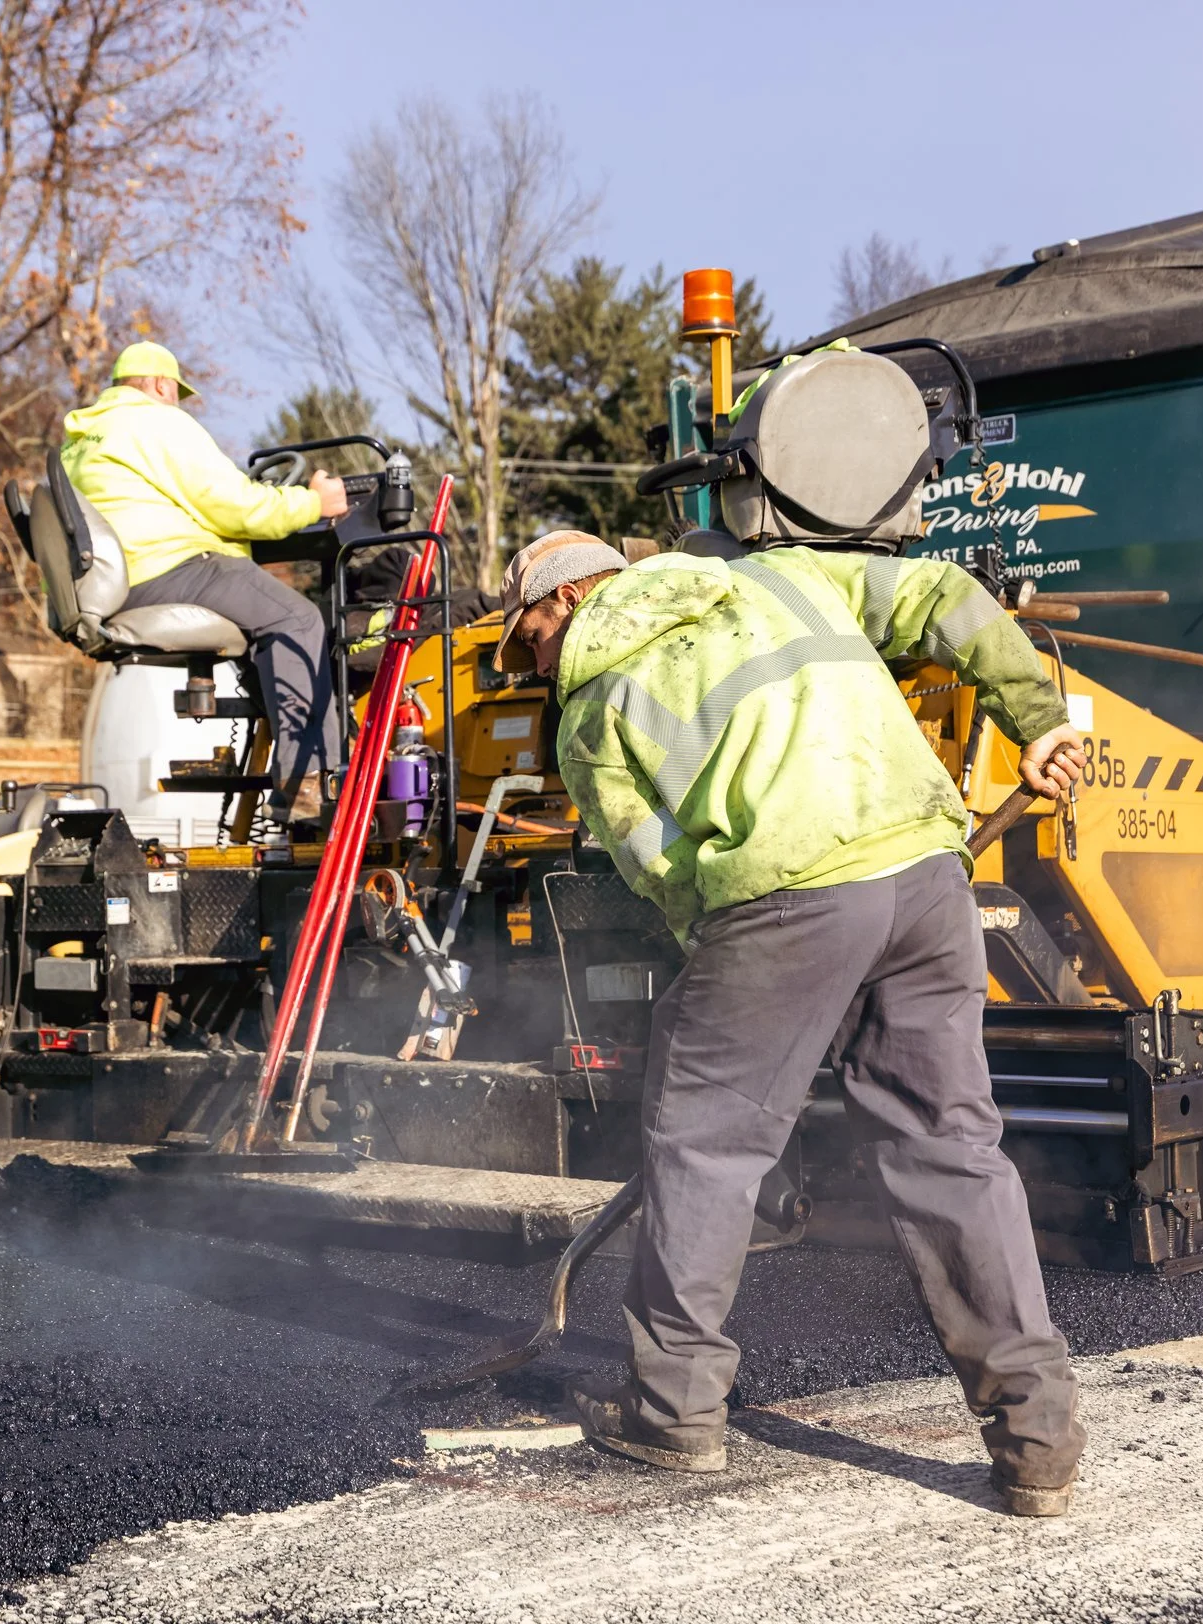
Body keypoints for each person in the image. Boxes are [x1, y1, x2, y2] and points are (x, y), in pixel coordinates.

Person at [496, 525, 1091, 1517]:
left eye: (528, 641)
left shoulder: (591, 714)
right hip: (926, 877)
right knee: (949, 1147)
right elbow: (946, 593)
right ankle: (1038, 1442)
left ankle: (672, 1408)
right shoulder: (779, 575)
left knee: (704, 1144)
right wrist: (1035, 717)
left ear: (564, 601)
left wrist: (728, 962)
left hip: (782, 898)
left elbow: (662, 872)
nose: (535, 664)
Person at [62, 341, 350, 828]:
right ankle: (309, 779)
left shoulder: (82, 439)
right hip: (170, 567)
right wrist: (310, 504)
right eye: (177, 393)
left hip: (119, 581)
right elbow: (231, 502)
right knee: (298, 618)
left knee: (265, 623)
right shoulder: (159, 422)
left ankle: (291, 768)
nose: (178, 403)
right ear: (161, 385)